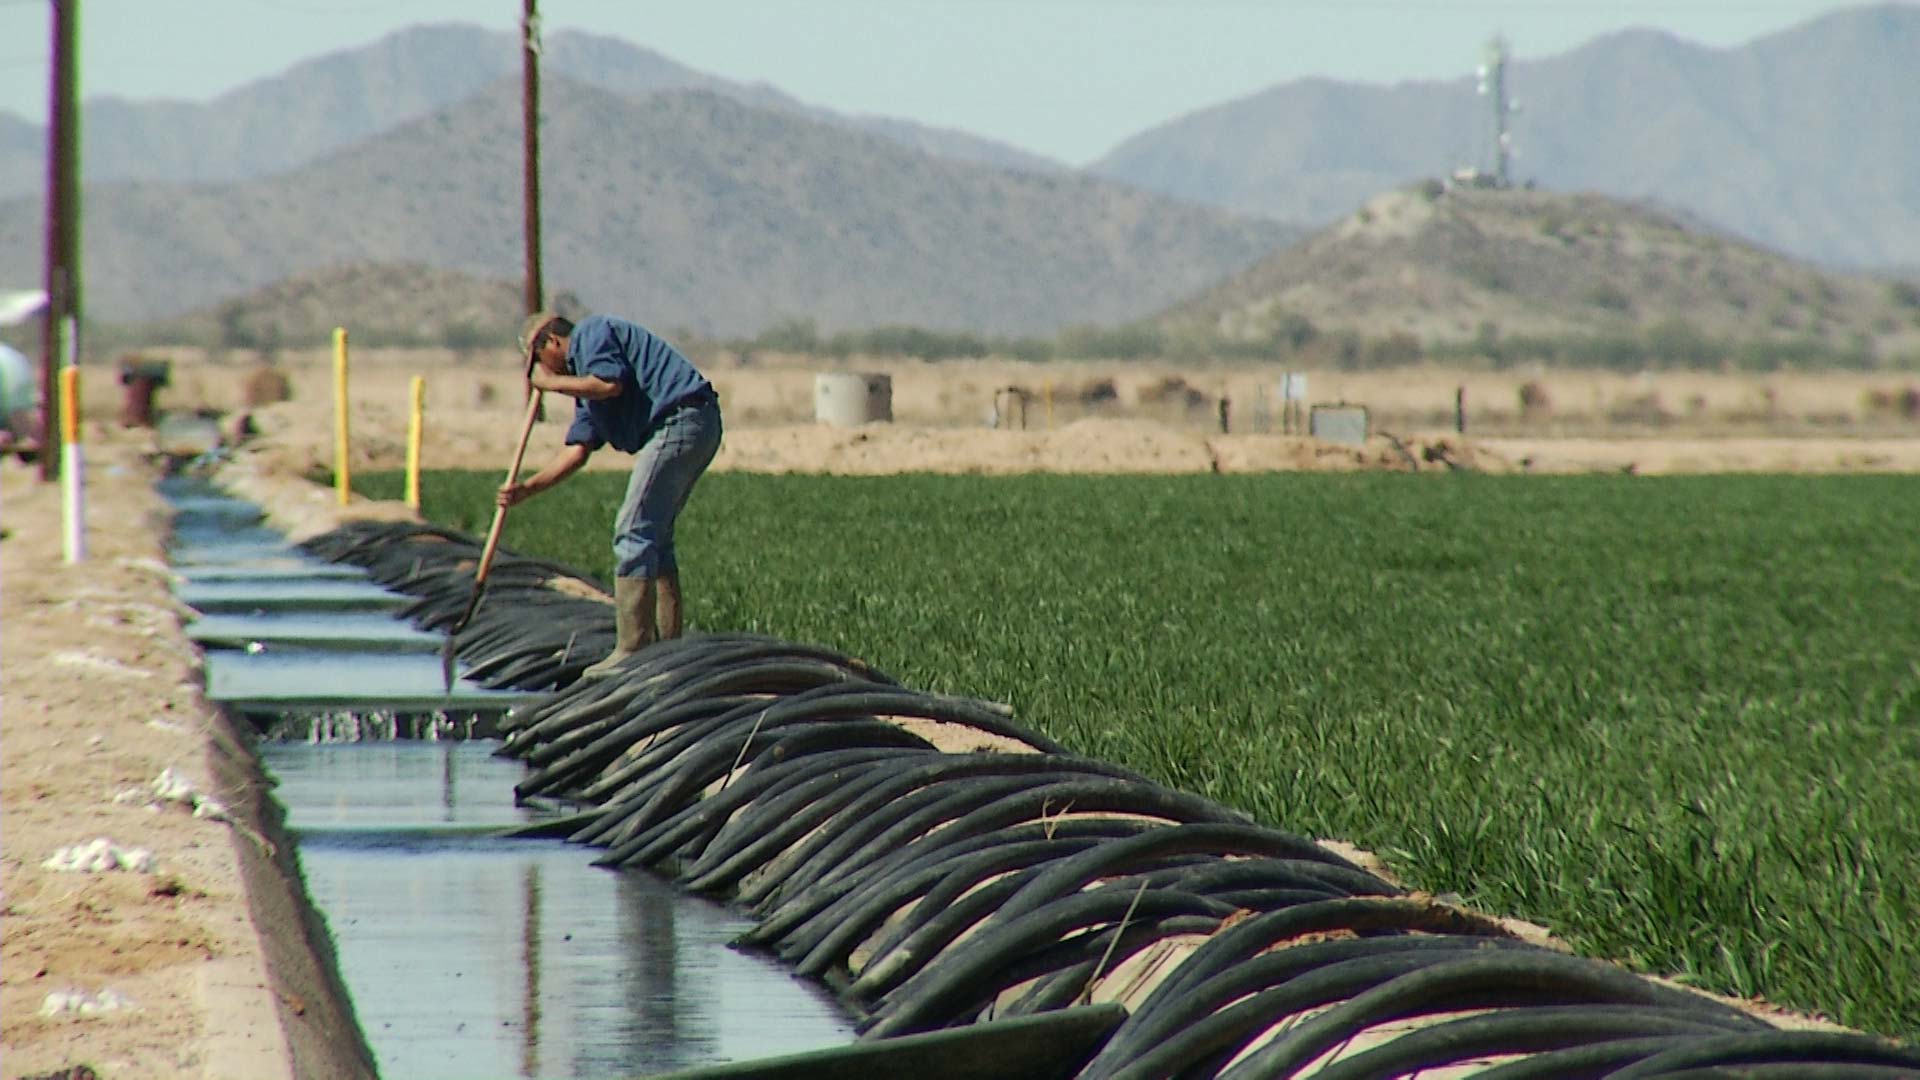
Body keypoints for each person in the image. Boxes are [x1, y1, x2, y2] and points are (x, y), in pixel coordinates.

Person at [497, 312, 723, 678]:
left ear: (551, 342)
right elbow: (578, 450)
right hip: (693, 423)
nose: (541, 370)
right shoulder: (586, 396)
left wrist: (552, 385)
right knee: (656, 539)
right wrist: (527, 489)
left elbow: (609, 384)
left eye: (538, 360)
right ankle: (667, 651)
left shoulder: (592, 334)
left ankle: (632, 651)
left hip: (682, 419)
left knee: (632, 529)